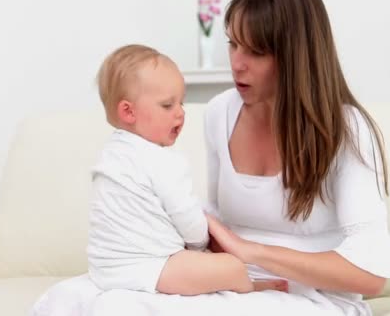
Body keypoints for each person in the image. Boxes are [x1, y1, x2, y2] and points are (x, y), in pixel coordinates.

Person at [201, 0, 390, 314]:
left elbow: (371, 276)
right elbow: (218, 222)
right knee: (101, 297)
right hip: (236, 288)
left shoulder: (346, 129)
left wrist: (252, 252)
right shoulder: (219, 112)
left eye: (256, 51)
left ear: (295, 57)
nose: (237, 63)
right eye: (233, 44)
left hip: (313, 299)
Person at [87, 44, 288, 296]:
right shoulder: (163, 160)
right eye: (167, 105)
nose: (180, 114)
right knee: (231, 266)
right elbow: (189, 221)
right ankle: (249, 286)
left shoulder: (111, 154)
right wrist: (202, 244)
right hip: (153, 266)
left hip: (103, 269)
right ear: (128, 111)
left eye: (181, 103)